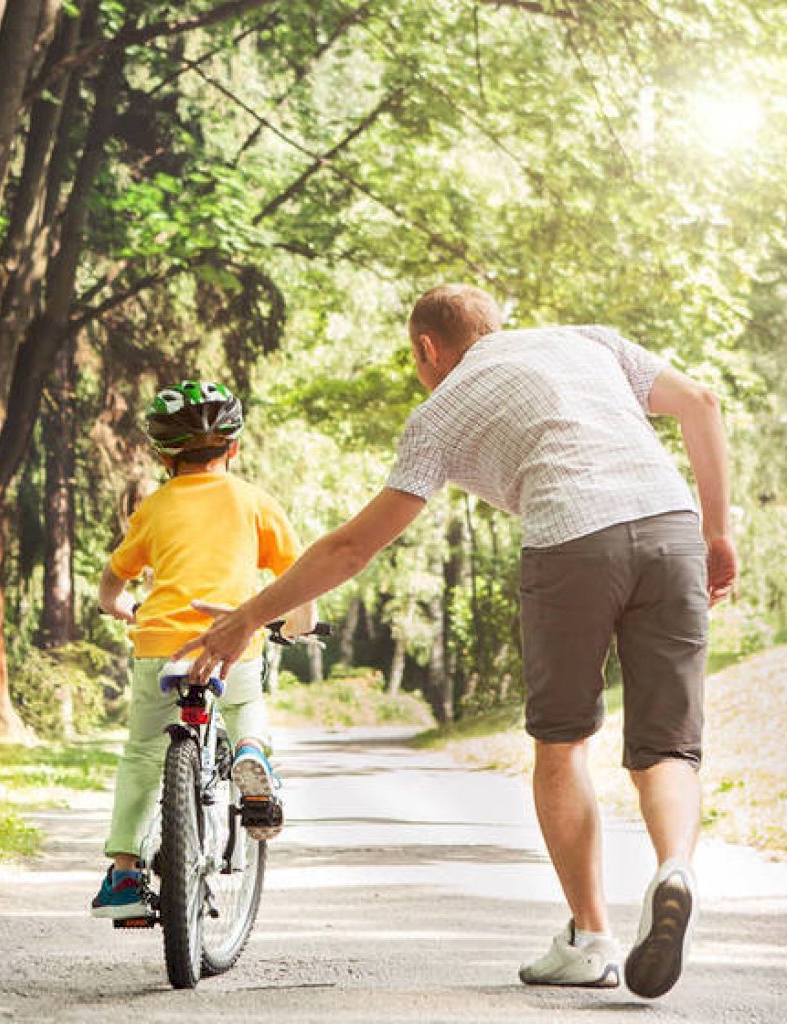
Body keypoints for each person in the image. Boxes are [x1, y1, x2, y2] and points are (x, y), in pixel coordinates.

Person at [175, 286, 738, 999]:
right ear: (494, 327)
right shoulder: (587, 339)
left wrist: (248, 615)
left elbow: (351, 549)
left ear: (426, 349)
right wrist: (717, 532)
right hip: (669, 526)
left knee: (562, 744)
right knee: (667, 748)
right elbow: (702, 404)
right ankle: (674, 867)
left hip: (570, 542)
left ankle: (591, 938)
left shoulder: (440, 411)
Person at [90, 379, 316, 920]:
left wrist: (114, 605)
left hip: (162, 648)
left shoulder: (154, 507)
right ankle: (251, 755)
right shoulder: (255, 502)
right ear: (233, 448)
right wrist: (298, 624)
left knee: (145, 752)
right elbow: (299, 576)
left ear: (164, 454)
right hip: (231, 643)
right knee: (243, 706)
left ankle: (124, 877)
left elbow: (114, 577)